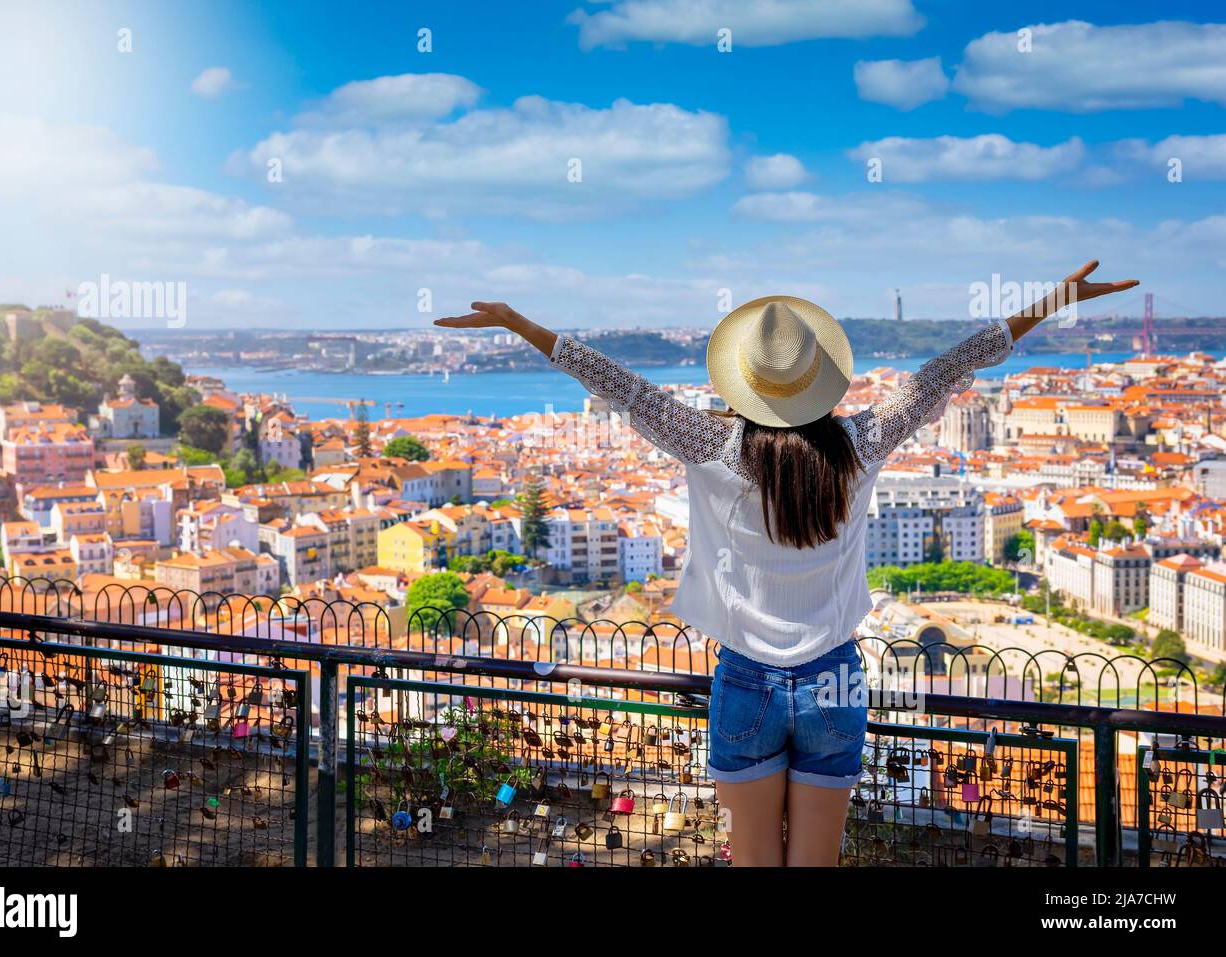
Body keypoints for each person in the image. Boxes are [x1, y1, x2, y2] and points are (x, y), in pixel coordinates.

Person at [435, 260, 1137, 866]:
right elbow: (945, 368)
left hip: (745, 678)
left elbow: (619, 384)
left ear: (746, 383)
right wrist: (1050, 303)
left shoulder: (710, 445)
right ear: (818, 379)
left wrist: (520, 324)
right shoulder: (860, 444)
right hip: (834, 675)